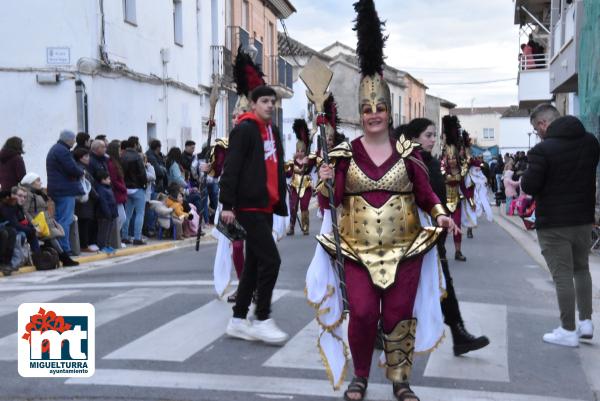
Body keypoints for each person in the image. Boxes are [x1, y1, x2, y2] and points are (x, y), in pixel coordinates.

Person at [314, 2, 457, 399]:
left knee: (398, 314)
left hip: (405, 247)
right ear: (359, 113)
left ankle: (400, 381)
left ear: (389, 112)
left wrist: (442, 214)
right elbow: (334, 199)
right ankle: (360, 374)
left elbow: (426, 194)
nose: (373, 114)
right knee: (360, 312)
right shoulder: (343, 154)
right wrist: (324, 181)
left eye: (379, 108)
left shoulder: (408, 151)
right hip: (358, 248)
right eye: (366, 108)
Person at [395, 118, 489, 357]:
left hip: (433, 237)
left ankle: (459, 334)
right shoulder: (406, 163)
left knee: (443, 284)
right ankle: (382, 331)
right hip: (409, 239)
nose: (432, 139)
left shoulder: (432, 163)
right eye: (428, 135)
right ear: (414, 138)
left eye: (434, 135)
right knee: (401, 287)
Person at [521, 104, 599, 347]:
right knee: (581, 269)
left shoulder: (542, 151)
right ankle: (586, 322)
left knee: (562, 275)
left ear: (544, 124)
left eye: (536, 128)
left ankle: (567, 330)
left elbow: (530, 186)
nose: (537, 133)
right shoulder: (591, 142)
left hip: (554, 223)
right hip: (583, 220)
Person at [220, 84, 289, 345]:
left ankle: (238, 320)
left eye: (272, 101)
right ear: (253, 104)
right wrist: (227, 204)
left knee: (253, 264)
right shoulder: (245, 129)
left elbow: (276, 168)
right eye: (264, 101)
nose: (270, 105)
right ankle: (262, 318)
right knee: (272, 261)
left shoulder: (273, 131)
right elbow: (231, 168)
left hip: (266, 205)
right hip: (248, 207)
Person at [20, 172, 78, 266]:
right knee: (52, 238)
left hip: (47, 222)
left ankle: (57, 258)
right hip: (39, 224)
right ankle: (65, 258)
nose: (40, 182)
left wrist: (53, 221)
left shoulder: (38, 193)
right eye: (38, 180)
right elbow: (25, 211)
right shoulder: (28, 194)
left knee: (54, 238)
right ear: (31, 182)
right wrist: (34, 223)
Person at [46, 130, 84, 256]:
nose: (74, 142)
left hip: (57, 189)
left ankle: (59, 248)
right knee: (65, 220)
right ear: (68, 139)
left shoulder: (56, 149)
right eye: (73, 139)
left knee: (58, 219)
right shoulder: (62, 151)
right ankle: (65, 249)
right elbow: (71, 168)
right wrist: (81, 172)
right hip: (64, 190)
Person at [441, 115, 468, 261]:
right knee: (444, 227)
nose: (451, 160)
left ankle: (458, 251)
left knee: (457, 225)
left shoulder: (461, 170)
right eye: (449, 158)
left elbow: (464, 179)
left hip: (456, 200)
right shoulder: (442, 169)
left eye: (453, 158)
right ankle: (442, 251)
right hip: (444, 199)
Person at [0, 186, 42, 267]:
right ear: (12, 195)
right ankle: (13, 261)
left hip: (12, 229)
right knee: (23, 233)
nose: (22, 199)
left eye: (24, 197)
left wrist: (33, 228)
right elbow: (14, 224)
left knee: (31, 232)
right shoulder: (8, 206)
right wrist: (31, 230)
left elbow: (23, 221)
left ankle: (38, 258)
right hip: (7, 228)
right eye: (20, 196)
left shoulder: (18, 207)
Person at [286, 119, 314, 236]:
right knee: (293, 207)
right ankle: (291, 226)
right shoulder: (292, 161)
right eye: (298, 150)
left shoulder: (309, 160)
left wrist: (307, 163)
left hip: (306, 185)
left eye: (302, 151)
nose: (300, 152)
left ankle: (305, 226)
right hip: (294, 185)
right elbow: (287, 173)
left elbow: (311, 168)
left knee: (304, 206)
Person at [120, 139, 148, 245]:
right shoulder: (137, 156)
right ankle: (137, 237)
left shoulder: (122, 156)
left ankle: (125, 236)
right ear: (135, 145)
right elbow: (142, 173)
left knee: (127, 213)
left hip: (126, 188)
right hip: (137, 188)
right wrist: (144, 185)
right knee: (140, 213)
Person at [73, 148, 99, 253]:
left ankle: (84, 244)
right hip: (84, 200)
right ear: (80, 158)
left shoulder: (82, 168)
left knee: (84, 222)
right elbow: (88, 185)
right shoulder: (81, 169)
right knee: (84, 222)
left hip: (85, 200)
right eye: (86, 156)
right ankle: (83, 245)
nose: (88, 158)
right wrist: (97, 196)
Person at [95, 170, 118, 254]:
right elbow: (103, 203)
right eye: (108, 179)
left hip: (110, 214)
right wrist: (108, 213)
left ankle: (107, 245)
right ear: (102, 180)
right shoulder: (101, 189)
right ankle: (102, 247)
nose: (110, 180)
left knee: (109, 231)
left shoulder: (107, 188)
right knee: (103, 232)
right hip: (104, 215)